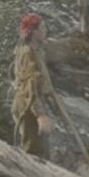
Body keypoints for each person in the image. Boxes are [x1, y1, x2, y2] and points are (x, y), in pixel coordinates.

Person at [12, 12, 58, 158]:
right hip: (28, 105)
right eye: (43, 28)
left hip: (32, 102)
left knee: (41, 151)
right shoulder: (27, 54)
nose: (46, 31)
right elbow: (29, 88)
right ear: (34, 32)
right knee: (32, 153)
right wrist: (40, 115)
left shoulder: (35, 51)